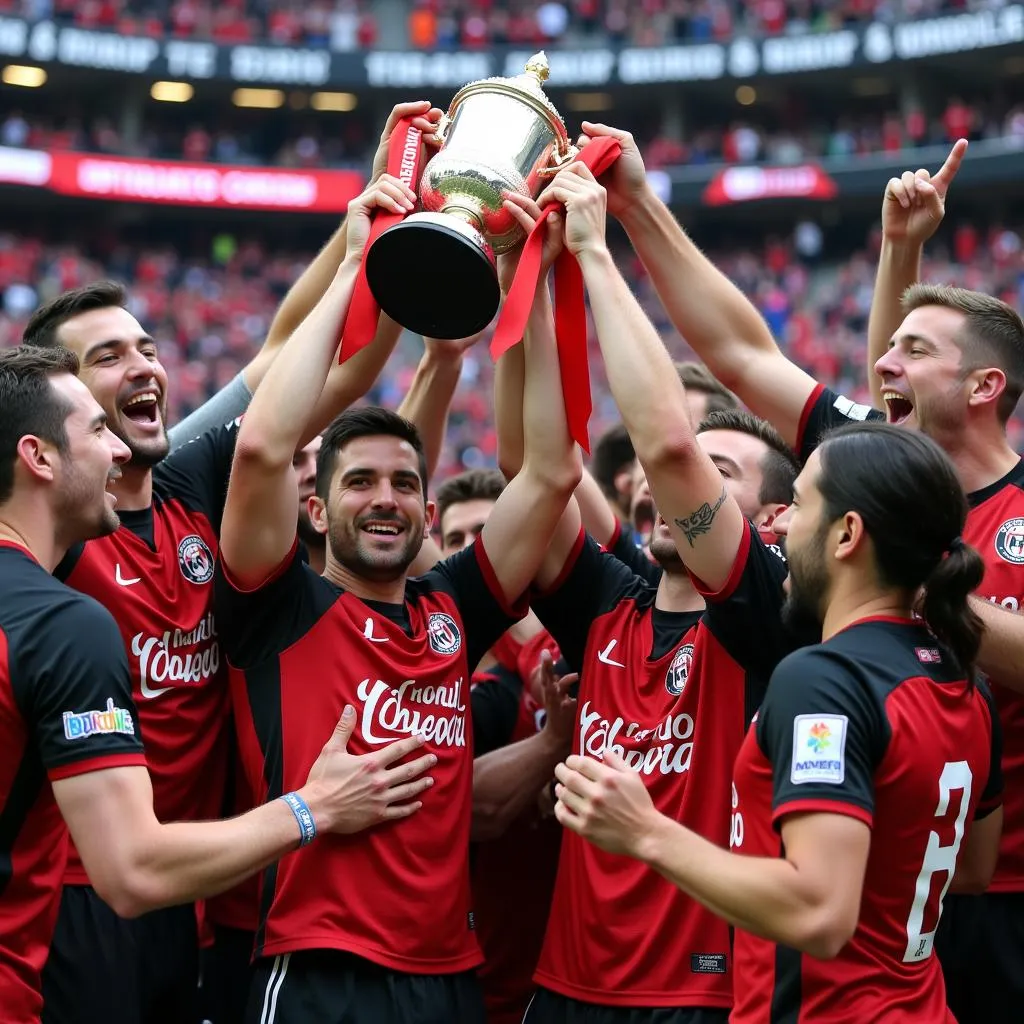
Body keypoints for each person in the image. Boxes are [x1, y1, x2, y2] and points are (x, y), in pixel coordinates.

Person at [580, 122, 1024, 1022]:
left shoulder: (868, 609)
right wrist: (638, 205)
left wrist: (911, 592)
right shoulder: (875, 478)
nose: (883, 364)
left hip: (985, 898)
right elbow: (742, 355)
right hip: (908, 892)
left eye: (913, 351)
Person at [214, 186, 582, 1022]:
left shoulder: (450, 609)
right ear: (317, 509)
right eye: (361, 482)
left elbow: (553, 475)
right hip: (318, 969)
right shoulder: (278, 605)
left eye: (405, 484)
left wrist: (540, 277)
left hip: (451, 975)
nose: (386, 499)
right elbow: (266, 445)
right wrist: (356, 264)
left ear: (426, 509)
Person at [0, 346, 435, 1024]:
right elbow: (134, 872)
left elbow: (308, 380)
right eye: (95, 431)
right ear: (39, 457)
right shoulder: (64, 625)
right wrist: (313, 806)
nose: (117, 452)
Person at [555, 422, 1004, 1023]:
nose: (783, 524)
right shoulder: (964, 683)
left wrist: (645, 832)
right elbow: (972, 868)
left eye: (802, 504)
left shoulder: (823, 679)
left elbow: (819, 914)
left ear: (847, 535)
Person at [492, 169, 796, 1023]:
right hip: (564, 986)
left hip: (697, 991)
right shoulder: (608, 606)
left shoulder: (768, 614)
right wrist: (532, 276)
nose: (677, 484)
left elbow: (665, 444)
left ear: (772, 516)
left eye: (717, 469)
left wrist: (593, 249)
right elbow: (530, 468)